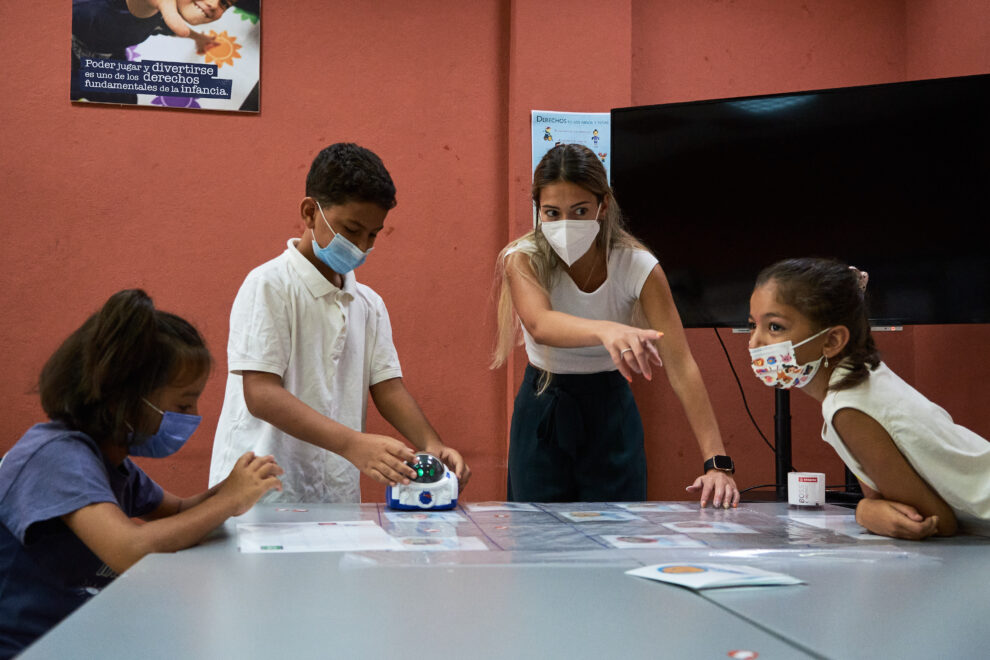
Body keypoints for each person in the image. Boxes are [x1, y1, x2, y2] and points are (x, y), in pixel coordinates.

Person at [0, 289, 282, 658]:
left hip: (80, 635)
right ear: (123, 397)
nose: (193, 415)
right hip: (27, 647)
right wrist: (227, 502)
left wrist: (230, 489)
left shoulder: (111, 461)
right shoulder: (55, 457)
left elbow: (179, 511)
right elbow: (128, 551)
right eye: (183, 403)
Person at [208, 142, 470, 503]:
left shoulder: (368, 305)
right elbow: (261, 393)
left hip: (335, 493)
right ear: (310, 212)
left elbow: (388, 387)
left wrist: (431, 443)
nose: (362, 246)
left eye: (373, 235)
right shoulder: (269, 285)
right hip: (264, 493)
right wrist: (353, 444)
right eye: (351, 230)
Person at [491, 143, 739, 506]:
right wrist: (606, 329)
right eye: (551, 212)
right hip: (543, 404)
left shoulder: (637, 265)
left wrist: (717, 463)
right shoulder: (523, 258)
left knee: (618, 539)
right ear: (538, 210)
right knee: (536, 543)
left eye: (579, 211)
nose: (565, 225)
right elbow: (540, 324)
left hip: (610, 409)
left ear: (603, 205)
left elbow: (681, 364)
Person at [748, 257, 990, 539]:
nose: (754, 342)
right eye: (752, 325)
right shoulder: (861, 382)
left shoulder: (848, 408)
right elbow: (883, 494)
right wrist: (870, 507)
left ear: (832, 341)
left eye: (775, 327)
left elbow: (933, 522)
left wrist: (864, 510)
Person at [71, 0, 258, 103]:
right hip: (70, 66)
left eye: (224, 4)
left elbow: (163, 26)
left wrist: (199, 38)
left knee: (127, 99)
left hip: (107, 56)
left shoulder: (162, 14)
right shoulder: (133, 7)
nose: (213, 4)